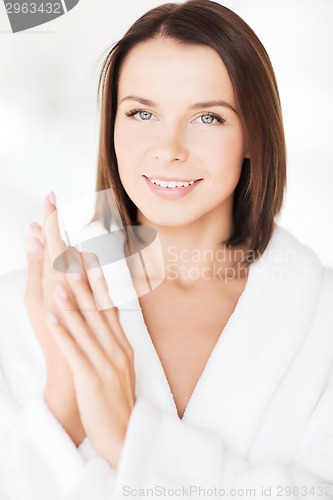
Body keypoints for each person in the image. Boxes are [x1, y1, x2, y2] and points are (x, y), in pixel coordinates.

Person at [0, 1, 332, 499]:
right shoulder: (27, 311)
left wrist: (131, 440)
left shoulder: (319, 318)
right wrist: (61, 411)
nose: (169, 147)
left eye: (207, 118)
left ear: (251, 135)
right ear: (111, 125)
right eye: (141, 113)